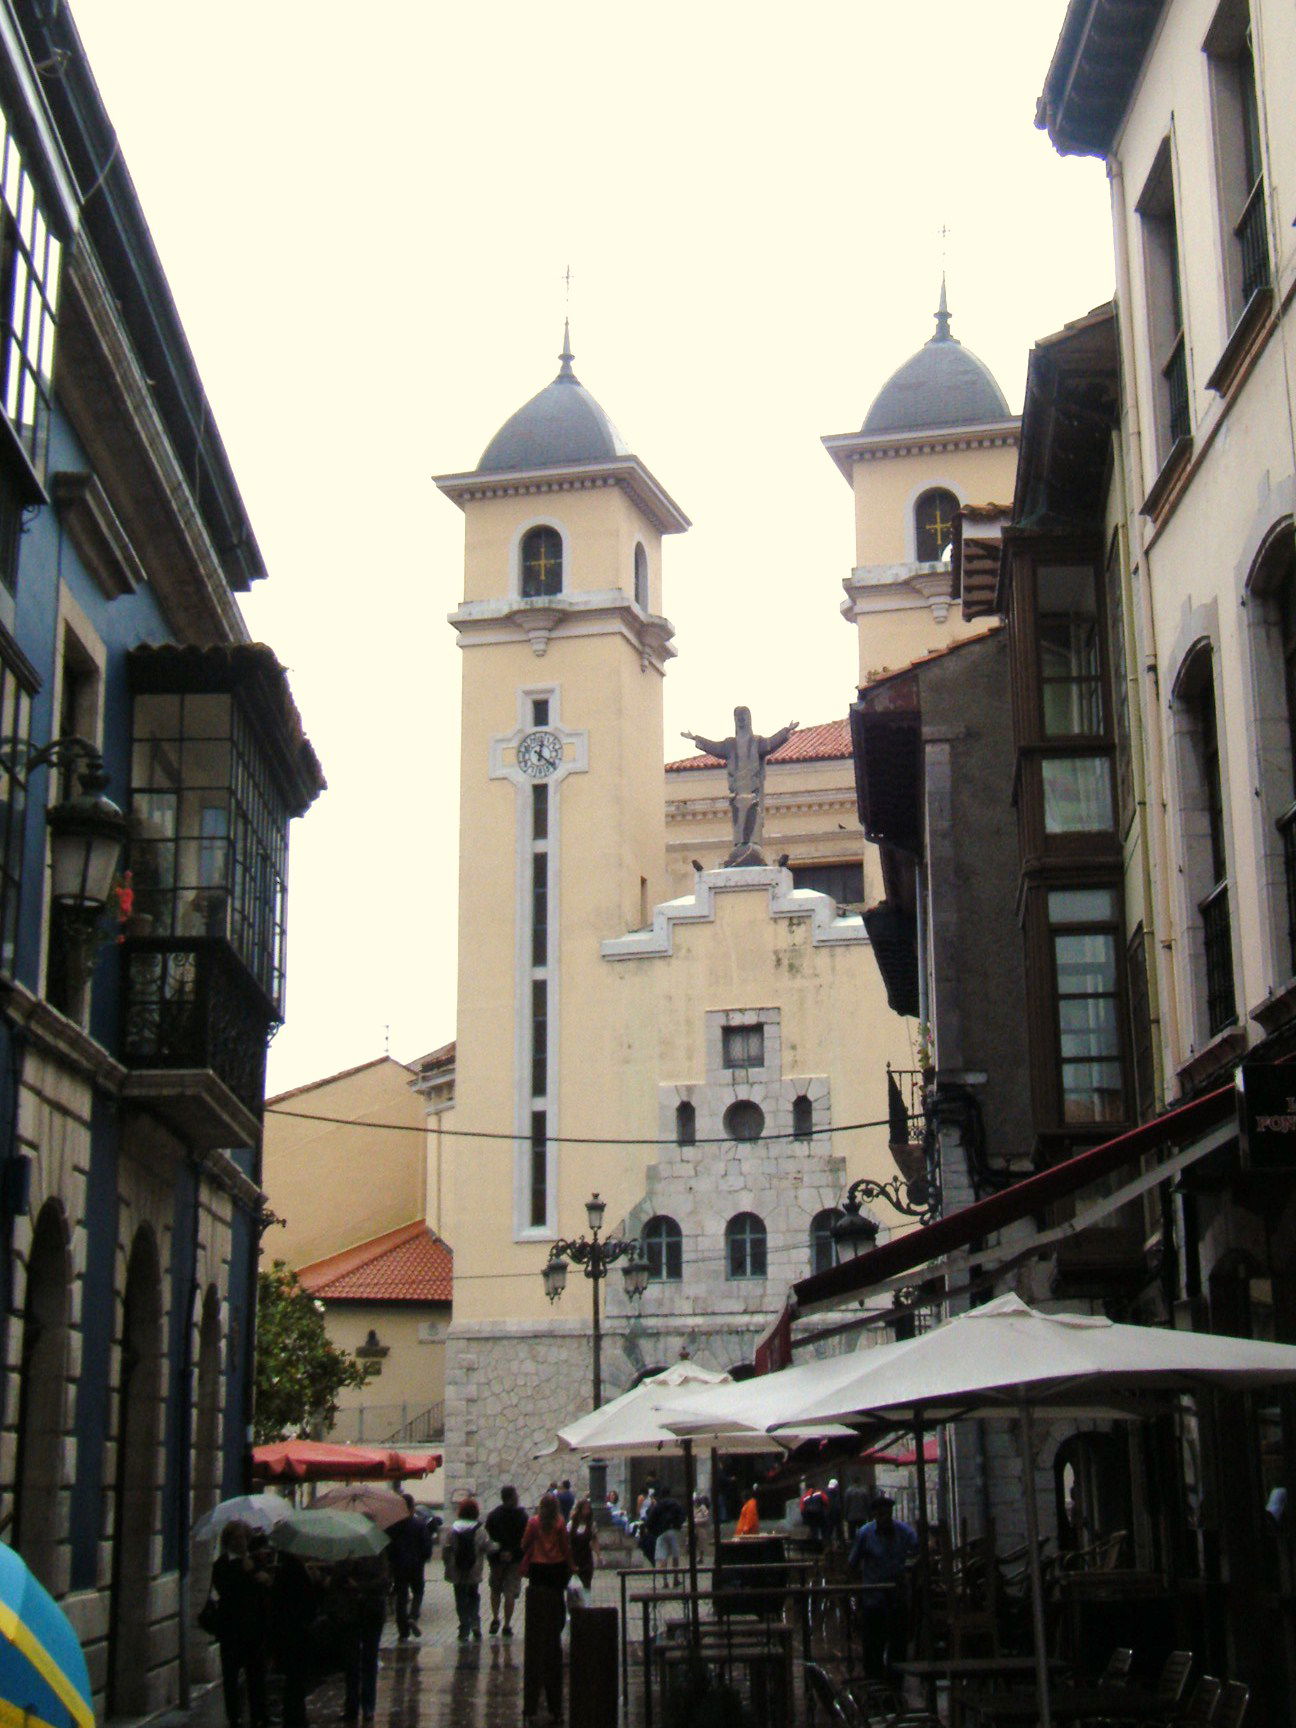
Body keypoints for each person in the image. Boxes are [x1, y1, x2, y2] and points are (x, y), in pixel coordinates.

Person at [680, 709, 799, 863]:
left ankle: (752, 846)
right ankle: (740, 846)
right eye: (738, 718)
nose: (741, 720)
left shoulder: (757, 742)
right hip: (736, 792)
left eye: (743, 717)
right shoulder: (729, 744)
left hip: (753, 791)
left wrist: (786, 730)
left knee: (753, 819)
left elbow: (771, 744)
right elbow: (714, 747)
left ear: (749, 719)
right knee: (739, 821)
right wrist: (696, 738)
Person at [848, 1492, 919, 1681]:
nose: (884, 1519)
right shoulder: (865, 1534)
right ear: (874, 1516)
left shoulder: (904, 1532)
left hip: (897, 1597)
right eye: (880, 1515)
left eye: (887, 1514)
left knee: (898, 1645)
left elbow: (918, 1549)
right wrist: (859, 1592)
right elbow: (852, 1563)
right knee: (873, 1646)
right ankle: (875, 1686)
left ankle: (896, 1686)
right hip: (874, 1598)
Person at [210, 1520, 270, 1728]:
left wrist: (255, 1571)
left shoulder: (255, 1562)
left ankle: (259, 1715)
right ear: (229, 1542)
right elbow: (227, 1591)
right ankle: (233, 1716)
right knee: (231, 1676)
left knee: (257, 1675)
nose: (242, 1542)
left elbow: (264, 1591)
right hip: (231, 1630)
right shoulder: (221, 1565)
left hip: (254, 1629)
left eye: (244, 1538)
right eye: (237, 1539)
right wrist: (247, 1573)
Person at [521, 1491, 573, 1724]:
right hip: (556, 1572)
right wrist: (571, 1567)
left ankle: (531, 1705)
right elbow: (564, 1548)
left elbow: (524, 1545)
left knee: (536, 1633)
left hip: (538, 1572)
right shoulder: (560, 1523)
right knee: (554, 1615)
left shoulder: (533, 1522)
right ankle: (556, 1627)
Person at [334, 1548, 389, 1726]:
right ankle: (352, 1706)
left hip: (371, 1612)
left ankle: (367, 1707)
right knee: (352, 1662)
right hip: (352, 1614)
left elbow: (384, 1581)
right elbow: (338, 1580)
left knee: (369, 1659)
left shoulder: (378, 1553)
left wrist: (360, 1587)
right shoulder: (345, 1555)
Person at [442, 1495, 489, 1642]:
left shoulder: (453, 1529)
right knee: (474, 1596)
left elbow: (446, 1550)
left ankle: (464, 1626)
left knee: (460, 1597)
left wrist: (447, 1565)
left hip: (457, 1570)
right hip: (474, 1569)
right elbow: (487, 1547)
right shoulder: (480, 1530)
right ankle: (475, 1623)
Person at [485, 1484, 529, 1637]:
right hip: (515, 1558)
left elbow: (488, 1538)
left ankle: (495, 1617)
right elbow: (525, 1539)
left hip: (497, 1559)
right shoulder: (522, 1516)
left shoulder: (493, 1515)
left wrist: (497, 1553)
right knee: (510, 1592)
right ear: (512, 1497)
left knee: (495, 1589)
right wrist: (515, 1552)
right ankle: (507, 1624)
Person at [389, 1493, 429, 1640]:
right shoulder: (419, 1525)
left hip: (399, 1565)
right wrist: (423, 1559)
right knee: (418, 1591)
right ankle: (413, 1615)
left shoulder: (393, 1526)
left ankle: (403, 1631)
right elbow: (426, 1547)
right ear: (412, 1507)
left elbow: (389, 1547)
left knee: (401, 1596)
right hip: (416, 1564)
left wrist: (392, 1563)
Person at [646, 1491, 685, 1579]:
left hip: (661, 1532)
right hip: (673, 1530)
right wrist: (677, 1525)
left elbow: (650, 1520)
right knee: (675, 1555)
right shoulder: (676, 1504)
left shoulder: (658, 1505)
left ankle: (665, 1580)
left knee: (663, 1556)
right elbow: (683, 1516)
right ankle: (676, 1578)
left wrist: (653, 1530)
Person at [568, 1496, 598, 1595]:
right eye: (585, 1509)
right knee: (574, 1590)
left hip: (586, 1559)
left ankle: (586, 1605)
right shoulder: (571, 1525)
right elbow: (567, 1543)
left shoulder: (591, 1525)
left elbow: (594, 1540)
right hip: (574, 1558)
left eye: (588, 1509)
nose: (587, 1511)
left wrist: (598, 1554)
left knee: (586, 1586)